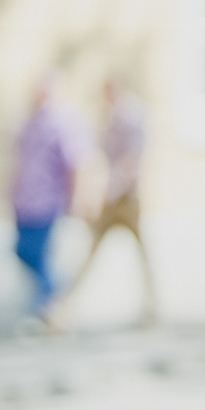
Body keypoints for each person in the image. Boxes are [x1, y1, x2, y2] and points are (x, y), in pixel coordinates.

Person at [66, 75, 157, 325]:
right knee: (90, 252)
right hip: (112, 197)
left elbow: (131, 162)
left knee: (141, 254)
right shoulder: (110, 119)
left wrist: (109, 191)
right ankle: (63, 308)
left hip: (126, 198)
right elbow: (102, 157)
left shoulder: (131, 116)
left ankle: (151, 308)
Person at [7, 72, 92, 326]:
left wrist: (78, 197)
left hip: (48, 199)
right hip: (24, 198)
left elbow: (77, 162)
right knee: (21, 250)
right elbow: (17, 159)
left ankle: (43, 305)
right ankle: (56, 287)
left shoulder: (65, 120)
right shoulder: (27, 120)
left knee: (40, 253)